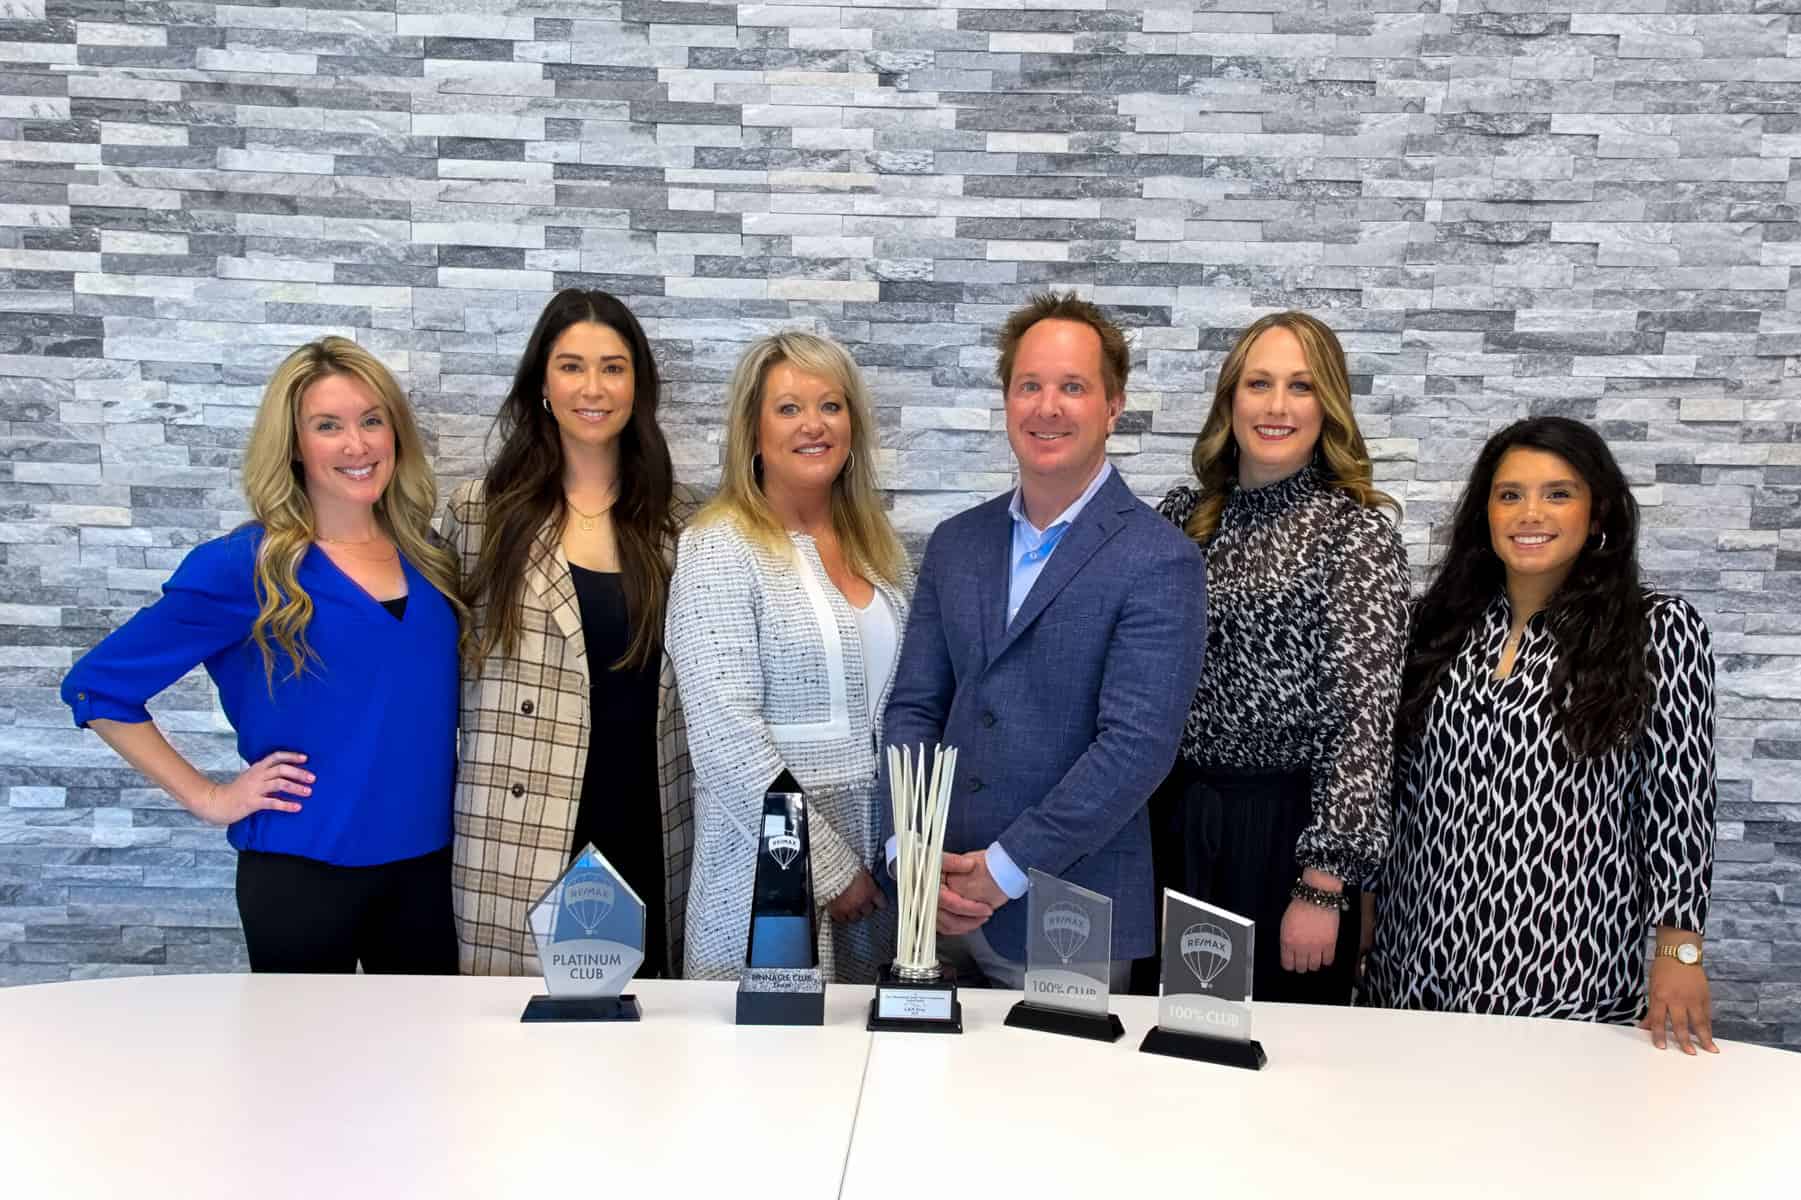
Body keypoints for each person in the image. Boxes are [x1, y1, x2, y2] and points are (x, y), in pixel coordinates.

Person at [60, 338, 465, 973]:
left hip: (429, 872)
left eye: (371, 420)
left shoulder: (432, 558)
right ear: (294, 445)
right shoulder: (246, 565)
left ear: (395, 432)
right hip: (301, 872)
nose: (356, 446)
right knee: (302, 1069)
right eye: (327, 426)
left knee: (427, 1067)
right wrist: (208, 797)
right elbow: (97, 688)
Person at [881, 291, 1207, 989]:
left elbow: (1135, 748)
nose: (1046, 407)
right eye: (1028, 385)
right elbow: (913, 707)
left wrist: (1004, 869)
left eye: (1071, 387)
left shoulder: (1160, 559)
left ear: (1113, 405)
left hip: (1068, 911)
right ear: (1005, 401)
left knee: (1059, 1100)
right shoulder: (955, 544)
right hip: (928, 908)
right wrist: (906, 849)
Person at [1365, 416, 1718, 1053]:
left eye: (1558, 493)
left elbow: (1680, 803)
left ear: (1598, 510)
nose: (1531, 512)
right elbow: (1395, 786)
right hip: (1414, 964)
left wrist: (1681, 950)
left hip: (1565, 972)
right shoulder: (1435, 625)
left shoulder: (1656, 628)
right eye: (1510, 495)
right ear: (1485, 514)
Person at [1152, 312, 1410, 1005]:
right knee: (1172, 1054)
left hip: (1284, 838)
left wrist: (1322, 885)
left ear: (1327, 406)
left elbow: (1363, 721)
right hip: (1176, 826)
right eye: (1258, 383)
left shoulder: (1354, 536)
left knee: (1281, 1069)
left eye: (1300, 387)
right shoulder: (1182, 517)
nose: (1274, 406)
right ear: (1228, 398)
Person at [445, 289, 697, 979]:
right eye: (571, 366)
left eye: (613, 368)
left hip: (649, 817)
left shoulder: (681, 522)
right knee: (516, 1059)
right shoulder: (480, 516)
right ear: (541, 384)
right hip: (523, 830)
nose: (593, 387)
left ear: (638, 386)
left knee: (645, 1055)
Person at [667, 331, 908, 983]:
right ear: (751, 430)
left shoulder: (879, 553)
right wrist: (824, 866)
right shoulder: (718, 546)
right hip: (766, 862)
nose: (813, 424)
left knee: (868, 1070)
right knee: (766, 1072)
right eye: (788, 408)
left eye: (831, 405)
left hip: (878, 859)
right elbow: (725, 738)